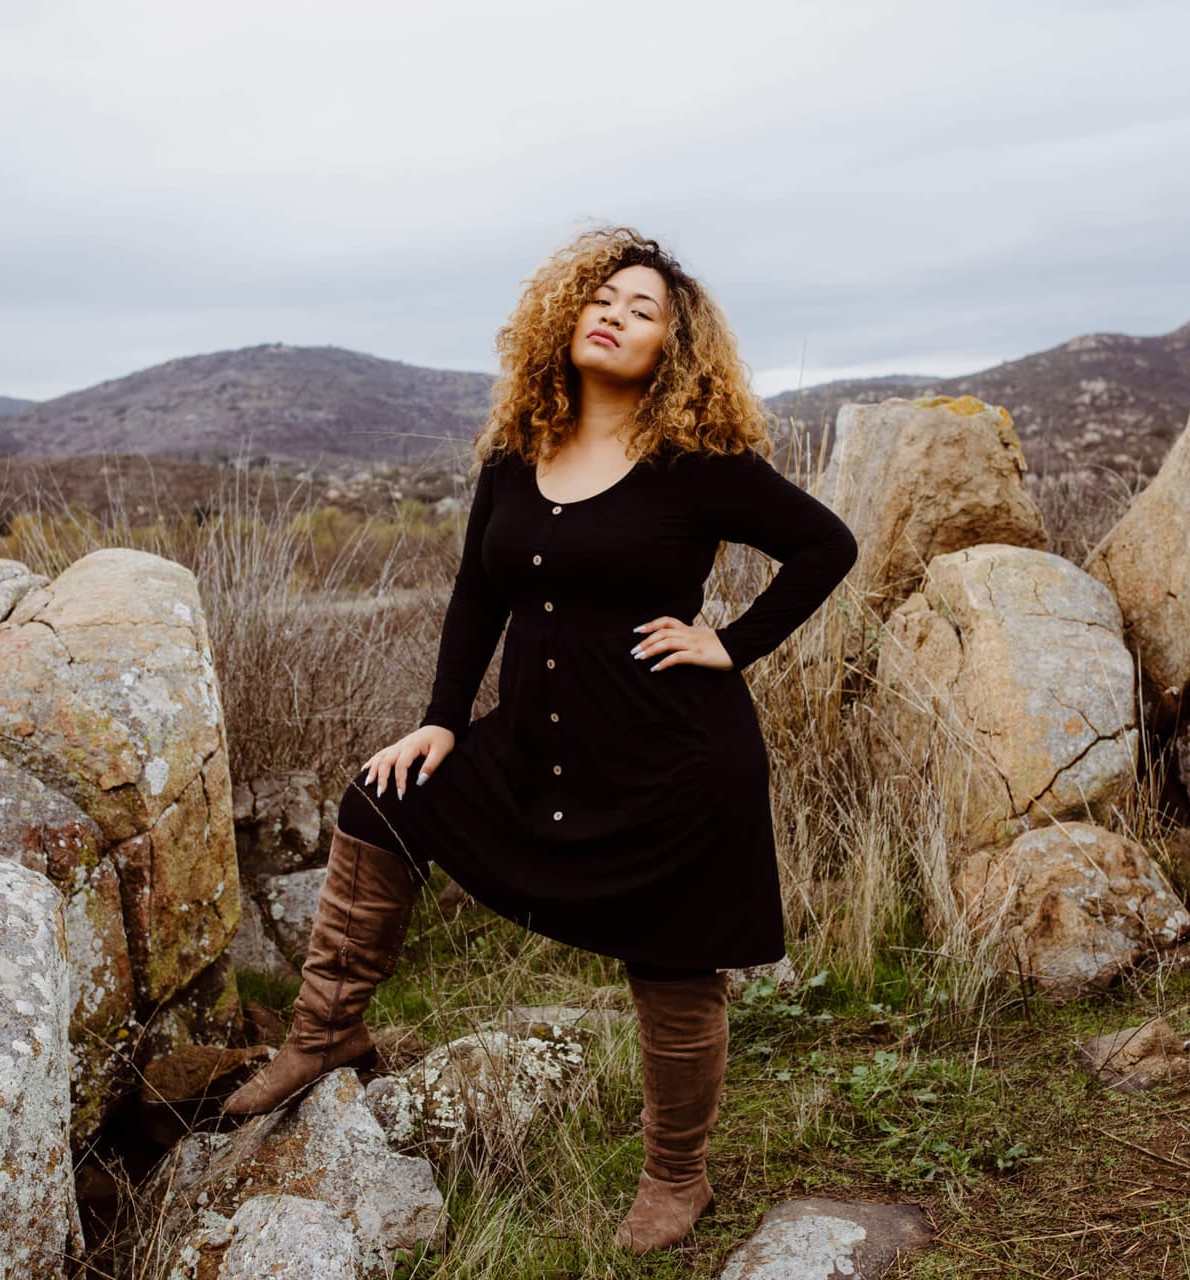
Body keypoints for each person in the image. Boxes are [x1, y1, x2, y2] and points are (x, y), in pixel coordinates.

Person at [224, 224, 859, 1254]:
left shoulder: (700, 463)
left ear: (671, 348)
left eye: (642, 309)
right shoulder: (518, 452)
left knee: (673, 963)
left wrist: (730, 642)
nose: (614, 315)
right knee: (382, 798)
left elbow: (827, 545)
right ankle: (326, 1031)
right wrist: (441, 719)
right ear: (566, 316)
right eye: (602, 298)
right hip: (535, 746)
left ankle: (678, 1176)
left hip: (672, 759)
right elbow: (477, 592)